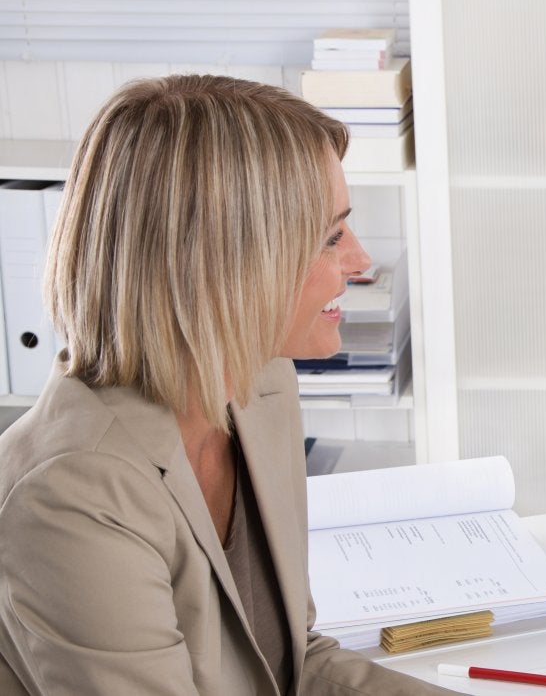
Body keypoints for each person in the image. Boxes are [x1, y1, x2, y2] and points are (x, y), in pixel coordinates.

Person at [0, 76, 472, 694]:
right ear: (228, 262)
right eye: (332, 237)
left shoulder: (259, 386)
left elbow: (296, 665)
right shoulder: (73, 496)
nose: (359, 262)